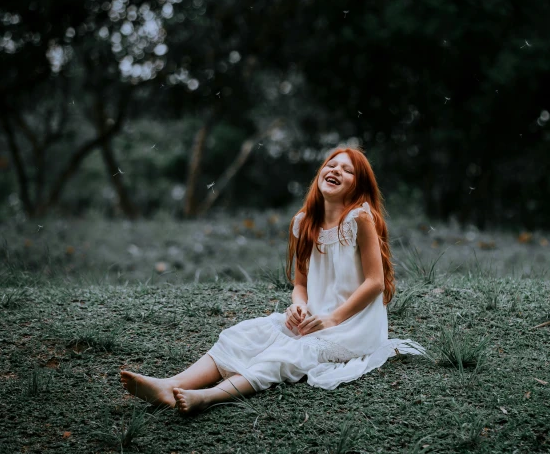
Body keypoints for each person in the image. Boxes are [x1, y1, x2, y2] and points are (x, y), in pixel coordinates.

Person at [120, 146, 426, 415]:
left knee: (286, 354)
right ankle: (171, 384)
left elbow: (375, 282)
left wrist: (331, 319)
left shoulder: (360, 218)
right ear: (320, 173)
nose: (336, 170)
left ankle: (206, 396)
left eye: (347, 170)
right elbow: (301, 285)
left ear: (358, 187)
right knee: (244, 334)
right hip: (315, 319)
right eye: (331, 164)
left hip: (354, 327)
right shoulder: (304, 222)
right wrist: (299, 307)